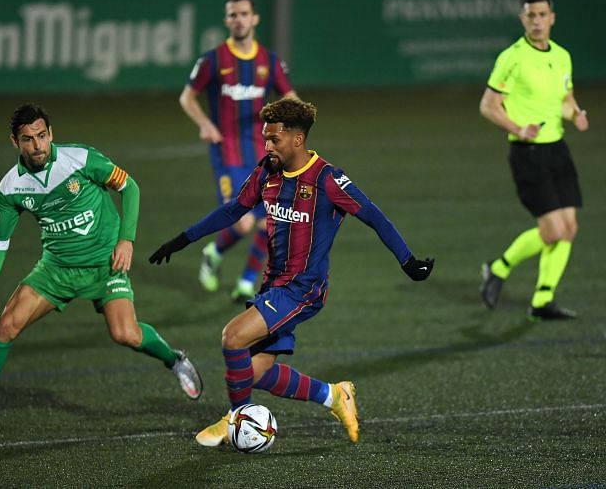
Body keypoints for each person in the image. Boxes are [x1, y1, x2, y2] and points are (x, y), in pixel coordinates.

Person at [149, 97, 434, 446]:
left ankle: (236, 419)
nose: (267, 146)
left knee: (233, 338)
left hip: (303, 289)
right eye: (265, 138)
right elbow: (233, 210)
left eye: (275, 139)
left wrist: (408, 261)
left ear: (297, 139)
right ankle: (333, 395)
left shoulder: (328, 179)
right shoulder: (267, 172)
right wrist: (182, 240)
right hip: (273, 287)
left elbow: (374, 216)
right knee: (254, 372)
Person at [0, 103, 203, 432]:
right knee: (5, 327)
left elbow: (129, 187)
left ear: (51, 133)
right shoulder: (11, 187)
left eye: (42, 136)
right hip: (56, 269)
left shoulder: (80, 159)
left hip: (105, 263)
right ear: (15, 142)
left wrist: (127, 239)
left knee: (126, 334)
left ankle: (174, 360)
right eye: (28, 139)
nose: (37, 145)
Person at [479, 0, 589, 321]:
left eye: (542, 15)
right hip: (527, 152)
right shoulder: (512, 57)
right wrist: (517, 126)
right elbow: (488, 105)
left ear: (552, 18)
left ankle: (543, 300)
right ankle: (499, 267)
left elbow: (565, 99)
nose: (537, 21)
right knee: (554, 230)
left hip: (558, 149)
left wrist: (576, 114)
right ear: (522, 19)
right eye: (531, 15)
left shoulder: (563, 56)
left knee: (569, 227)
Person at [179, 0, 297, 302]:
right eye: (232, 15)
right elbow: (187, 97)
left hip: (264, 153)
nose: (238, 20)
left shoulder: (269, 62)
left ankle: (246, 281)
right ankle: (213, 252)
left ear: (255, 19)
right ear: (227, 20)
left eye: (244, 14)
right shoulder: (213, 60)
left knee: (269, 218)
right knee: (243, 221)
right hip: (227, 150)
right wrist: (205, 123)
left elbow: (290, 97)